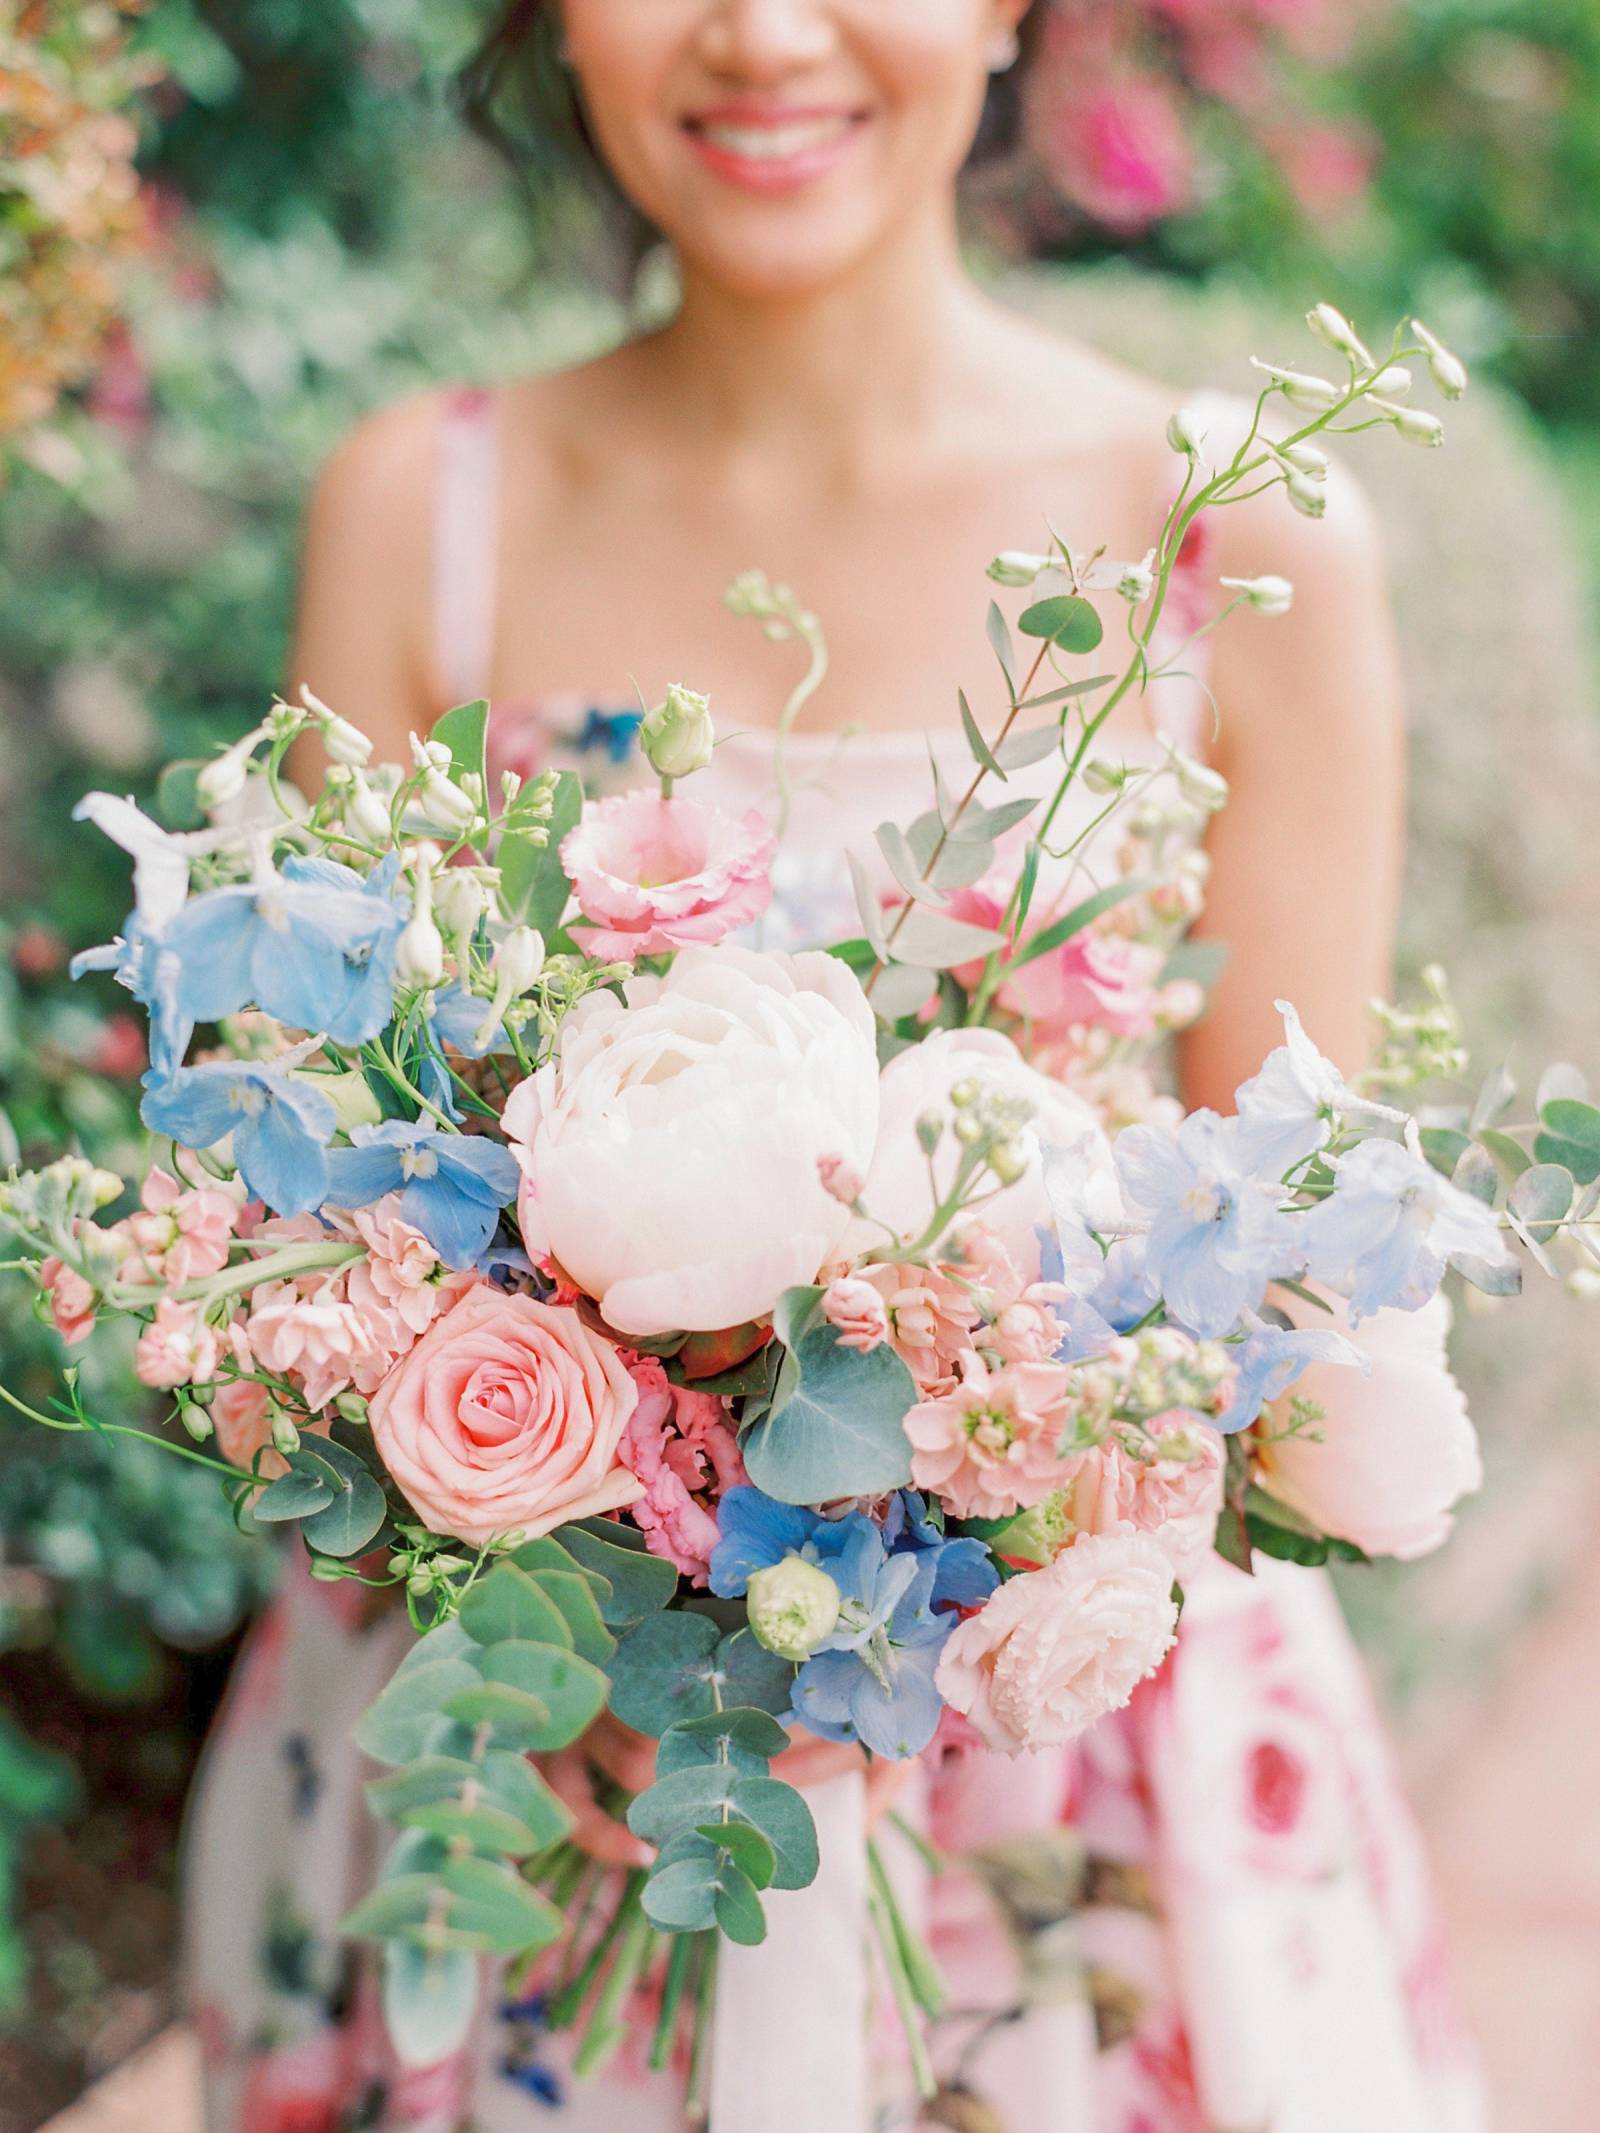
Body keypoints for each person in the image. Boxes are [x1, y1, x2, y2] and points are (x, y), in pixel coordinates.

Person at [185, 5, 1487, 2129]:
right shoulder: (422, 510)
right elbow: (308, 1198)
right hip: (518, 1778)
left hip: (1062, 1783)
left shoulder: (1240, 539)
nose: (761, 34)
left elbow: (1293, 1273)